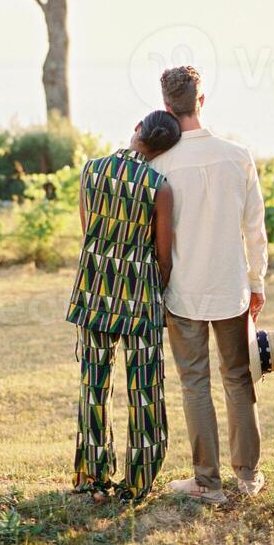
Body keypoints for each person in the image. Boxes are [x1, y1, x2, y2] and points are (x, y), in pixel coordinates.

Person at [151, 66, 268, 504]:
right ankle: (249, 475)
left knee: (195, 383)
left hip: (183, 291)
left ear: (167, 107)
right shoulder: (238, 156)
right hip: (231, 288)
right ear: (203, 100)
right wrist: (257, 281)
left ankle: (207, 483)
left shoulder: (159, 162)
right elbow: (254, 229)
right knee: (239, 380)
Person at [66, 110, 180, 504]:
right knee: (144, 389)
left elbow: (89, 233)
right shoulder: (159, 186)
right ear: (164, 150)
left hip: (95, 290)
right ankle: (137, 484)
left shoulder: (92, 171)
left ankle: (92, 479)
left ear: (136, 129)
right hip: (141, 296)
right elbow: (164, 256)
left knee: (94, 385)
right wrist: (156, 289)